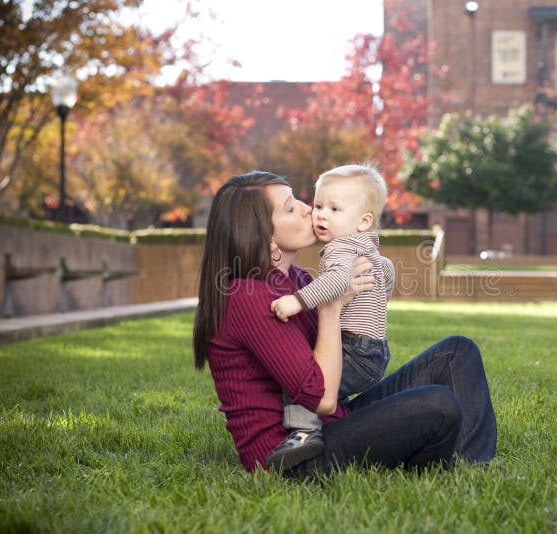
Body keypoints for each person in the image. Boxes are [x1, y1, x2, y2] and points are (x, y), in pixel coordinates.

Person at [193, 170, 497, 477]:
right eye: (290, 207)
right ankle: (442, 457)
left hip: (334, 424)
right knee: (438, 405)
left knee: (457, 352)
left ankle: (473, 467)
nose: (308, 208)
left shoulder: (297, 279)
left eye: (299, 199)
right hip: (295, 455)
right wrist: (331, 306)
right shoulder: (249, 297)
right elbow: (323, 398)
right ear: (263, 234)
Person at [268, 164, 395, 470]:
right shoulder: (370, 250)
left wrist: (296, 302)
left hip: (356, 348)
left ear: (364, 221)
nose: (322, 215)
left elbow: (337, 282)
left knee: (306, 381)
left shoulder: (340, 248)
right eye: (319, 205)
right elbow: (388, 273)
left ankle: (304, 433)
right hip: (376, 348)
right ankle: (333, 424)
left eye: (335, 209)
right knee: (332, 384)